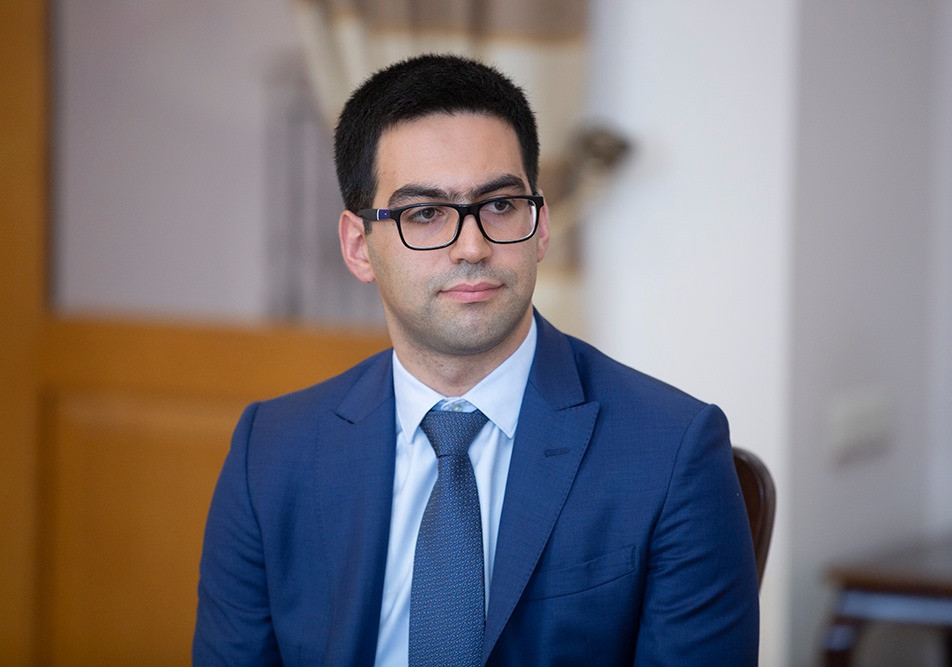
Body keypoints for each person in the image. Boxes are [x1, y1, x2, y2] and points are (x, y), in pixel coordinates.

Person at [193, 53, 759, 665]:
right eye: (425, 214)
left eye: (500, 206)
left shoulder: (671, 451)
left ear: (541, 227)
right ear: (359, 246)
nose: (472, 246)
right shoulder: (270, 452)